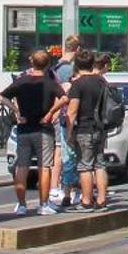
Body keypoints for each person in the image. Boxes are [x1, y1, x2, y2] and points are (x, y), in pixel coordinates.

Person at [0, 50, 64, 216]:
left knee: (22, 166)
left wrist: (17, 111)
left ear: (32, 62)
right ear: (47, 64)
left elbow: (2, 97)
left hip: (24, 129)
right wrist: (51, 113)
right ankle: (43, 204)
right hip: (43, 129)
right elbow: (64, 98)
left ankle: (21, 205)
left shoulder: (21, 81)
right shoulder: (49, 82)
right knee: (44, 167)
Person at [63, 50, 110, 211]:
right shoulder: (102, 81)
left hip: (84, 129)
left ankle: (86, 201)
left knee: (85, 166)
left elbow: (72, 111)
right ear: (92, 64)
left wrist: (69, 133)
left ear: (76, 65)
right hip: (100, 128)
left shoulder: (78, 84)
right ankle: (102, 199)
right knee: (100, 164)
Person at [51, 36, 82, 208]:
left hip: (57, 113)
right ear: (77, 49)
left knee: (59, 151)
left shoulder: (56, 66)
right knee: (69, 154)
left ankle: (56, 187)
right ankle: (70, 190)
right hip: (68, 115)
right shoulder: (70, 69)